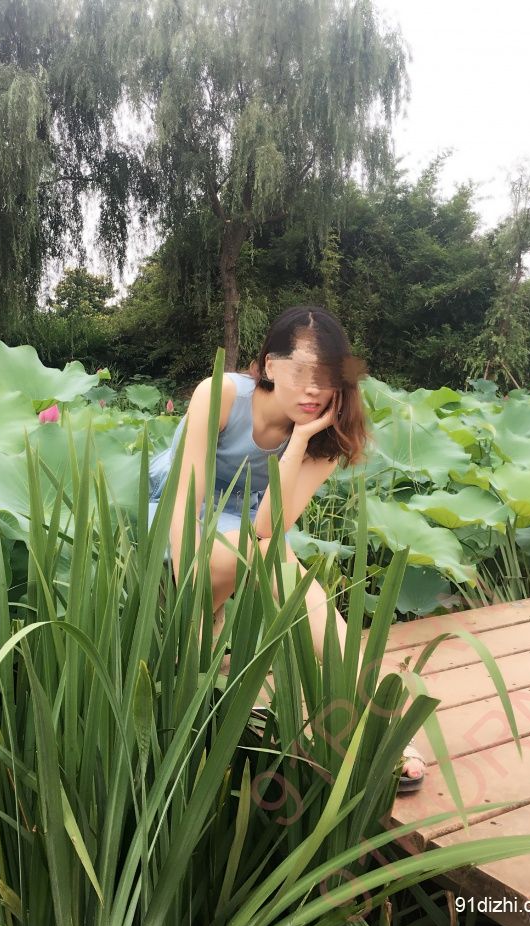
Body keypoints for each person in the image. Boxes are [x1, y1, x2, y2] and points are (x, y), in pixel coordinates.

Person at [146, 305, 425, 789]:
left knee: (271, 556)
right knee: (269, 563)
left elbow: (268, 526)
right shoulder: (221, 394)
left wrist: (300, 442)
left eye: (327, 377)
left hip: (248, 524)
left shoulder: (328, 437)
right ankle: (379, 712)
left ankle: (374, 711)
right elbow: (186, 500)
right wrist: (192, 583)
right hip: (177, 507)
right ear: (271, 366)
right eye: (302, 373)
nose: (314, 389)